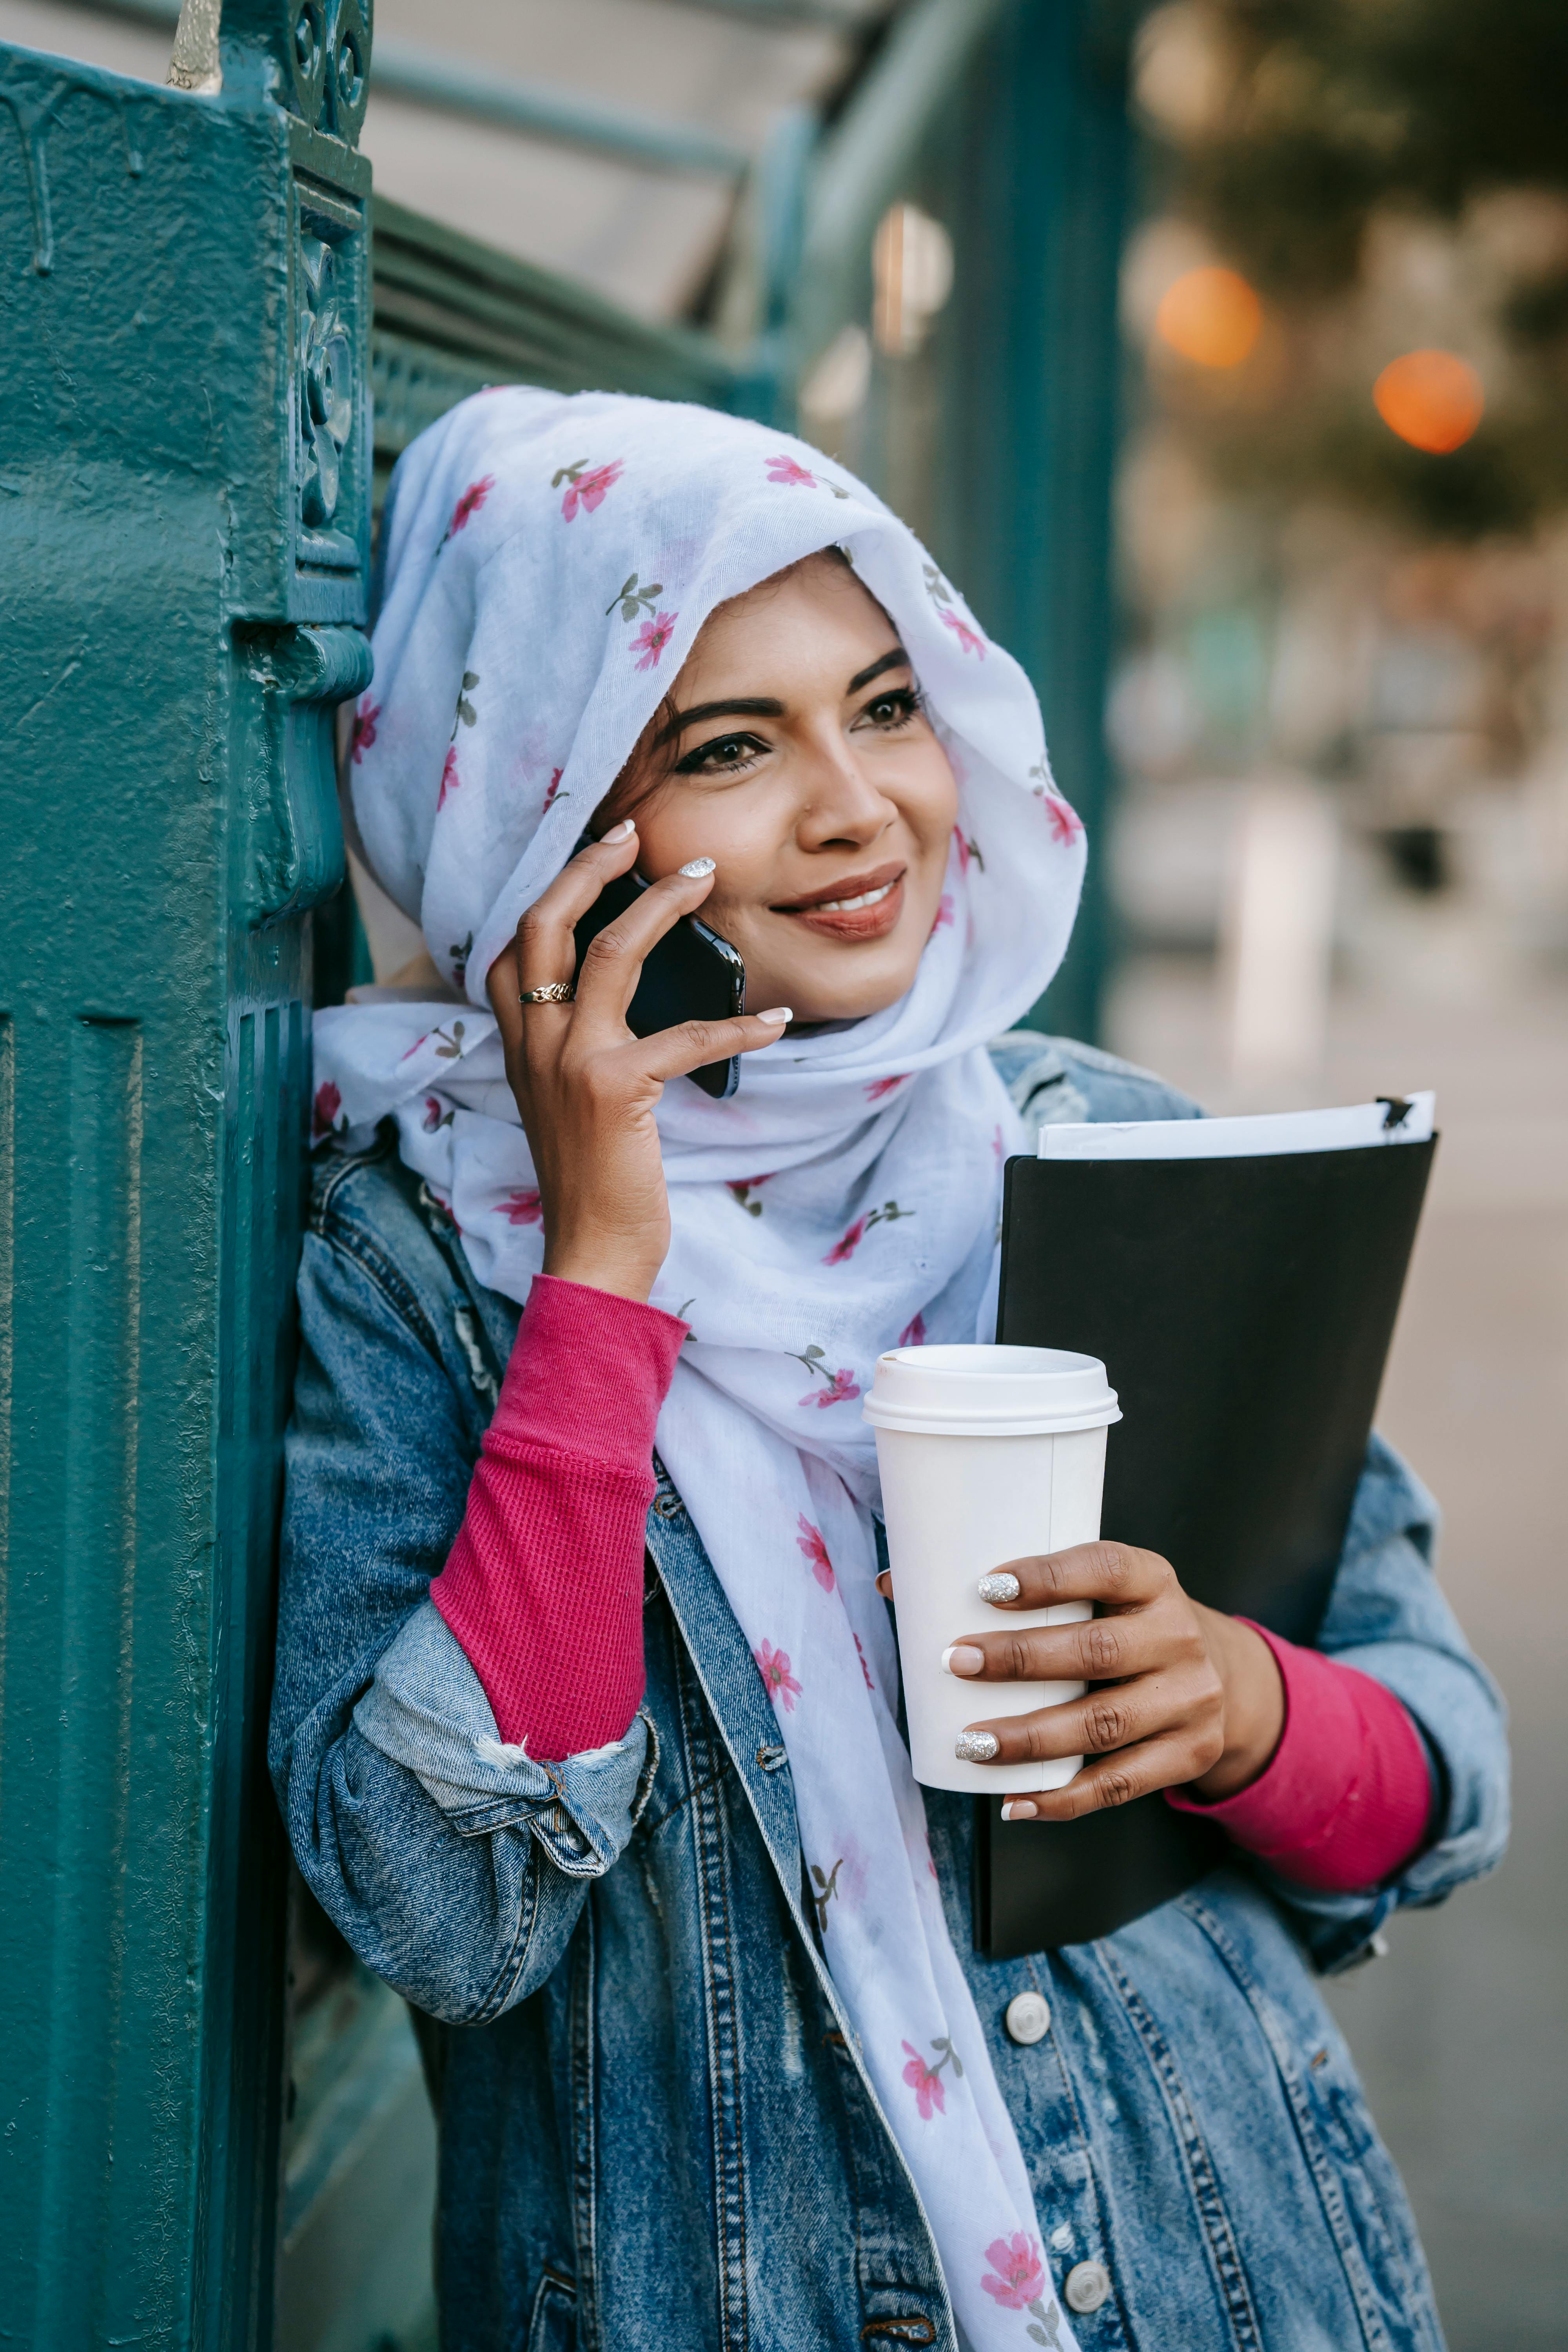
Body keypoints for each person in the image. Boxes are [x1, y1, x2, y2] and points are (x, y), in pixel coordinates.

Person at [274, 389, 1508, 2352]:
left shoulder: (1107, 1156)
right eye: (727, 748)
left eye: (885, 703)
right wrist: (600, 1279)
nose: (858, 809)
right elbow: (440, 1915)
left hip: (1237, 2285)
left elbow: (1442, 1777)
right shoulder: (418, 1269)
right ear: (533, 802)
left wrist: (1245, 1709)